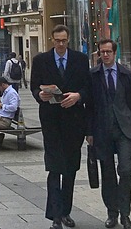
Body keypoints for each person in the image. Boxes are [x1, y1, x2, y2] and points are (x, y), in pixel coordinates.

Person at [31, 24, 90, 229]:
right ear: (52, 40)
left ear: (69, 39)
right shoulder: (41, 60)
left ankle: (66, 211)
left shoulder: (80, 59)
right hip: (52, 121)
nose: (61, 44)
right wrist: (40, 95)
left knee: (71, 168)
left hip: (74, 121)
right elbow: (34, 86)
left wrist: (78, 96)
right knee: (55, 168)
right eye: (57, 41)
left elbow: (88, 87)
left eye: (64, 40)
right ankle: (55, 216)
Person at [86, 39, 131, 229]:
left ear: (114, 53)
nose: (105, 55)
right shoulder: (93, 75)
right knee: (108, 173)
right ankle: (112, 212)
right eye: (102, 52)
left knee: (126, 170)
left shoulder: (127, 75)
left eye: (108, 52)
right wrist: (89, 131)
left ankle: (125, 214)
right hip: (102, 130)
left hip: (124, 129)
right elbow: (89, 106)